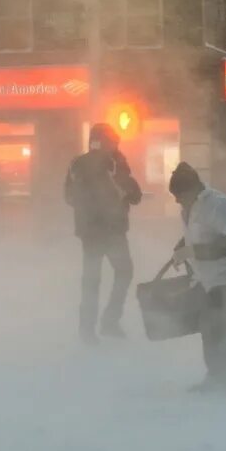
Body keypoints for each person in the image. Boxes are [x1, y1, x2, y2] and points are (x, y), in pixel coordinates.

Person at [169, 163, 226, 393]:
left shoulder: (219, 204)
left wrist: (194, 252)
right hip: (206, 277)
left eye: (179, 195)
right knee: (213, 323)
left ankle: (225, 374)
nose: (176, 201)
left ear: (193, 188)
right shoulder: (190, 207)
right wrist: (181, 248)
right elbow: (195, 235)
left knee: (213, 321)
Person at [64, 123, 143, 345]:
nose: (116, 145)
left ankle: (87, 330)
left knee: (91, 280)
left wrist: (86, 207)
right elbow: (134, 193)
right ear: (106, 141)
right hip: (112, 230)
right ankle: (110, 320)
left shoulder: (77, 164)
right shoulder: (115, 163)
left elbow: (68, 197)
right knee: (124, 271)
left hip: (89, 231)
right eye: (114, 142)